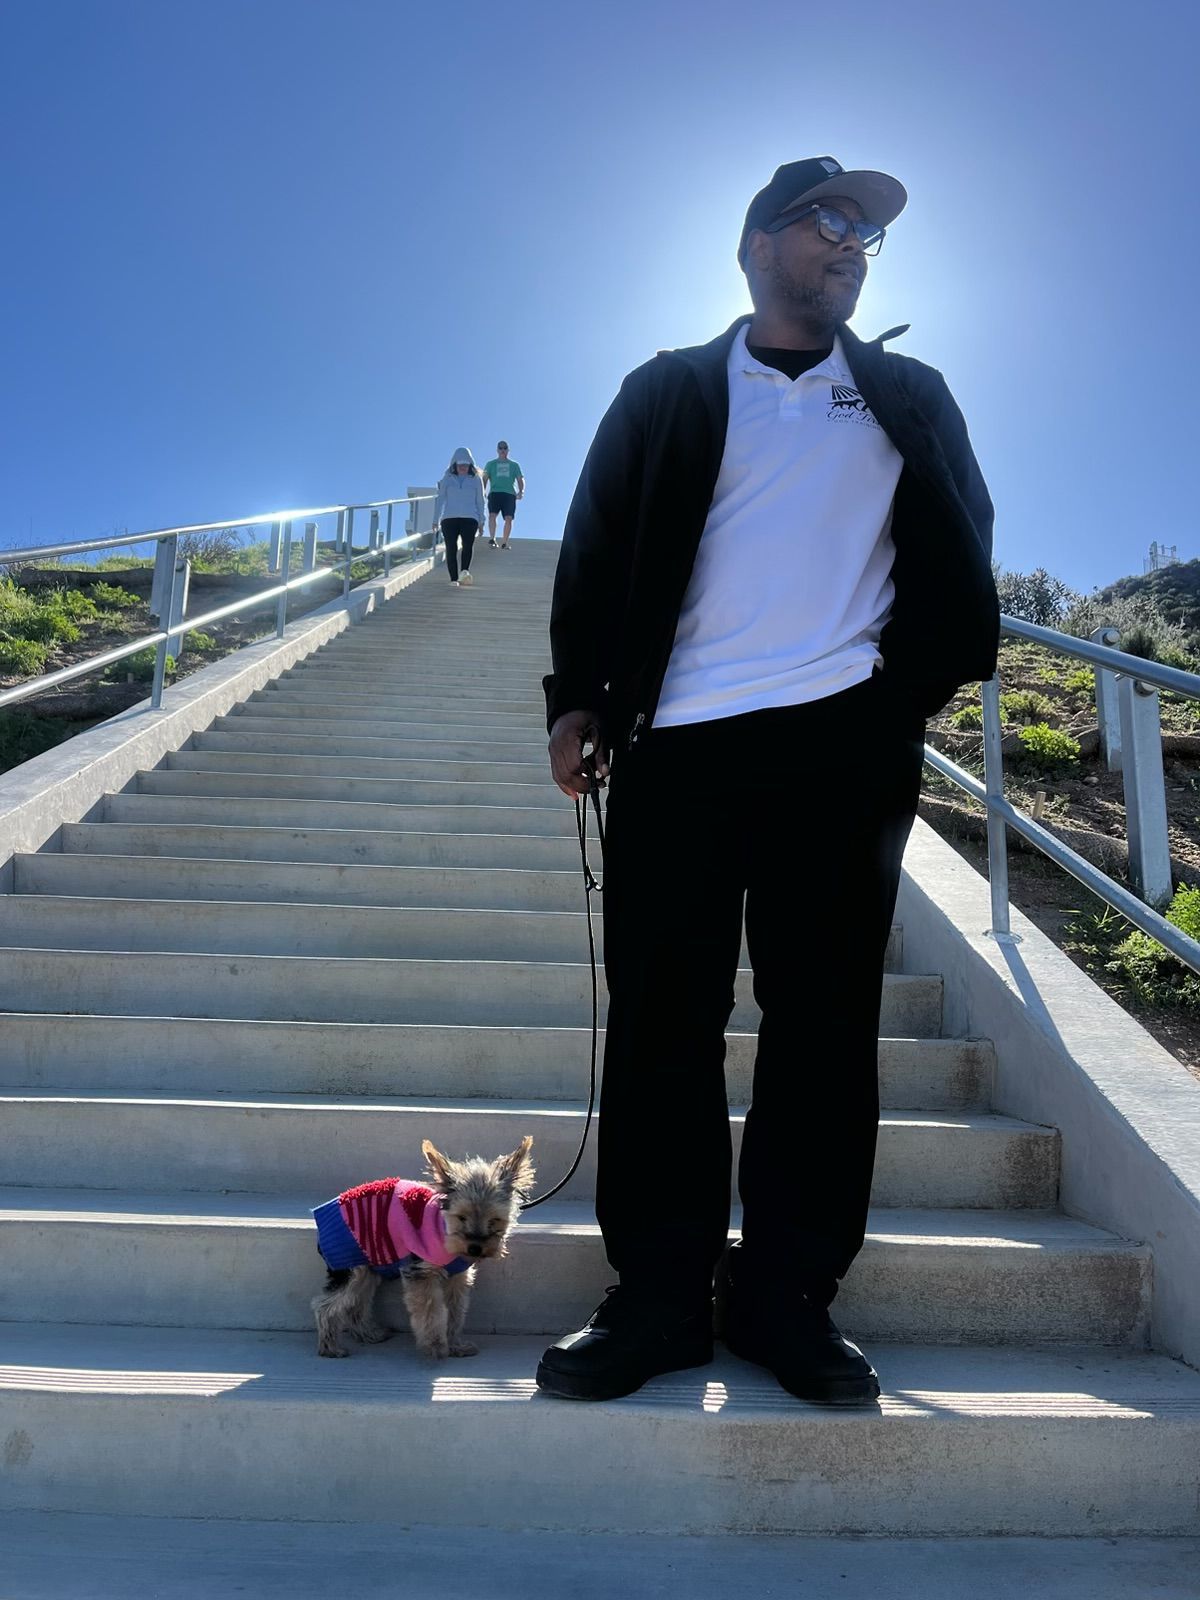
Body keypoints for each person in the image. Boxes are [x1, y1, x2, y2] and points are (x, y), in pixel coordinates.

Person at [538, 157, 999, 1406]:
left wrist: (898, 698)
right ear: (755, 245)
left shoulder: (906, 395)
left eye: (867, 231)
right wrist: (577, 694)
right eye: (826, 221)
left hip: (840, 748)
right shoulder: (671, 389)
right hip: (678, 742)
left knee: (825, 1027)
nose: (852, 243)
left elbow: (966, 544)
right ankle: (658, 1297)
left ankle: (786, 1293)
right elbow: (594, 543)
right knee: (662, 1023)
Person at [433, 447, 485, 586]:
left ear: (470, 465)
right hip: (449, 518)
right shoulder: (447, 479)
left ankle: (464, 572)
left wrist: (481, 520)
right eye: (460, 464)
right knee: (451, 548)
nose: (463, 467)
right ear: (454, 464)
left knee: (467, 545)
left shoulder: (476, 479)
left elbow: (480, 501)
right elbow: (440, 499)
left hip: (470, 518)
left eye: (466, 465)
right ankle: (453, 579)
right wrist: (435, 520)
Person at [482, 442, 524, 548]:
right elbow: (484, 479)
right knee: (492, 515)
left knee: (508, 518)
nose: (502, 450)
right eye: (500, 448)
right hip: (495, 493)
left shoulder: (514, 465)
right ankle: (492, 539)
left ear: (508, 450)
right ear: (497, 450)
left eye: (505, 448)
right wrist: (482, 491)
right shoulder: (490, 464)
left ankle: (505, 542)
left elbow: (520, 478)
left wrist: (521, 491)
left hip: (509, 494)